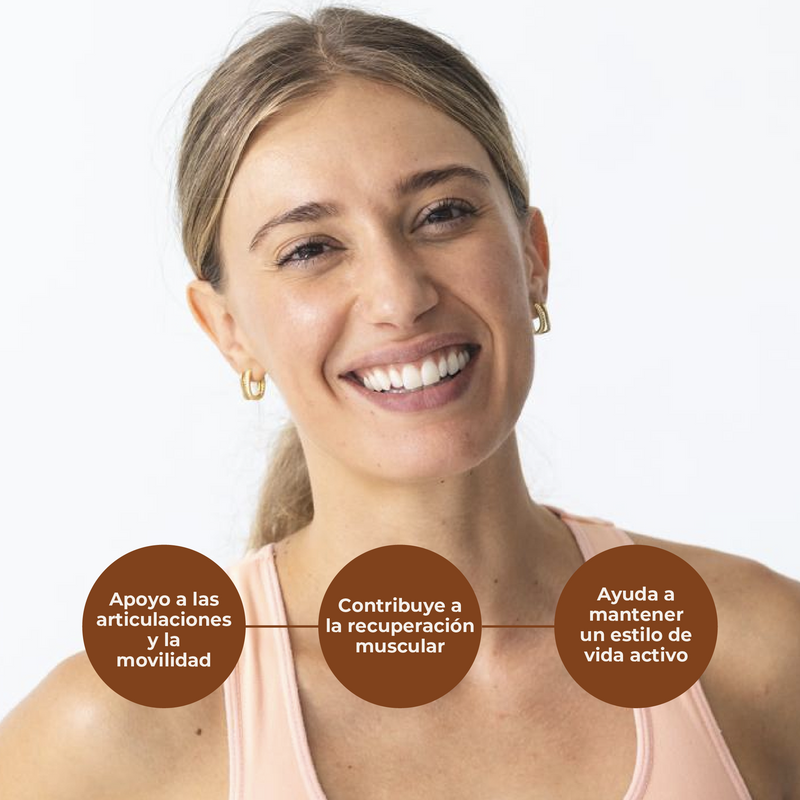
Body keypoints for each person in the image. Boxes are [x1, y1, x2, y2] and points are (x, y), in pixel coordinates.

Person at [1, 6, 798, 799]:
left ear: (533, 256)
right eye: (310, 249)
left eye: (442, 214)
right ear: (228, 331)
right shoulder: (118, 732)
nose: (399, 296)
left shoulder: (760, 652)